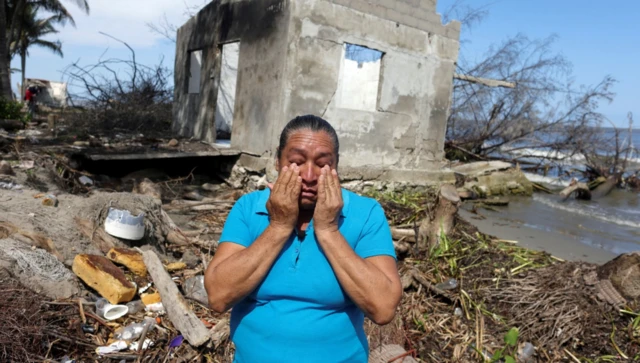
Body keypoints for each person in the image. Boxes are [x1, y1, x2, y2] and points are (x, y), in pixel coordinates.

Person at [204, 115, 402, 363]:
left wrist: (329, 230)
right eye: (296, 161)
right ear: (278, 161)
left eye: (323, 164)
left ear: (336, 166)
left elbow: (383, 308)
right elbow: (218, 296)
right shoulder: (248, 208)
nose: (309, 175)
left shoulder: (365, 214)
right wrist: (278, 225)